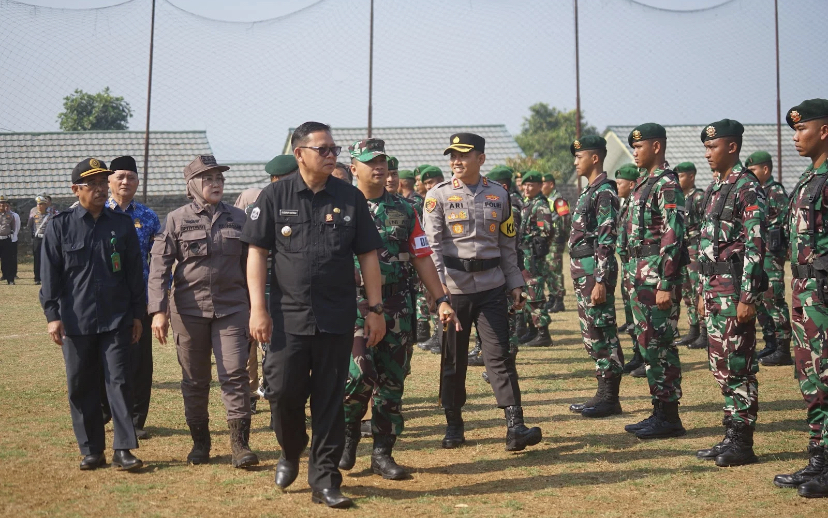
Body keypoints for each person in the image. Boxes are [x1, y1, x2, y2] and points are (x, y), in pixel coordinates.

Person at [242, 121, 384, 509]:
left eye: (333, 149)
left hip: (337, 317)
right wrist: (257, 308)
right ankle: (290, 450)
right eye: (323, 149)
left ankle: (325, 479)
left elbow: (368, 255)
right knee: (283, 392)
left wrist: (374, 309)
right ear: (300, 152)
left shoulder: (350, 198)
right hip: (287, 317)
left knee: (328, 399)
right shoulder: (274, 196)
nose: (331, 155)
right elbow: (256, 253)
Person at [339, 138, 459, 480]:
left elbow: (421, 256)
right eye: (369, 162)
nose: (378, 167)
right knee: (358, 377)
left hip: (396, 306)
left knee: (392, 383)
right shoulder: (340, 208)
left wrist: (441, 299)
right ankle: (348, 434)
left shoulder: (405, 210)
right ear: (354, 168)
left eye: (382, 162)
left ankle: (382, 453)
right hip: (353, 306)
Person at [422, 132, 542, 452]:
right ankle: (454, 425)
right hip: (454, 290)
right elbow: (431, 249)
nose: (456, 161)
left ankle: (515, 427)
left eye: (463, 155)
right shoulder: (438, 196)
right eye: (453, 156)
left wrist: (516, 283)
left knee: (499, 355)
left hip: (491, 287)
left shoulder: (499, 195)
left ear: (481, 159)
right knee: (453, 358)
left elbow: (507, 246)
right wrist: (439, 293)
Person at [148, 154, 259, 469]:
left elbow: (253, 266)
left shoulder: (239, 219)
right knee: (194, 380)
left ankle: (240, 446)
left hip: (233, 308)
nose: (216, 184)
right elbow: (159, 266)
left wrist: (257, 308)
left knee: (235, 375)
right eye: (208, 179)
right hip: (188, 311)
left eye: (219, 179)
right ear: (191, 185)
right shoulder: (176, 219)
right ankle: (201, 443)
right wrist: (158, 310)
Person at [39, 158, 145, 471]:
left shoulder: (121, 225)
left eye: (103, 183)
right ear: (76, 189)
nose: (100, 189)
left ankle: (123, 449)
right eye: (93, 184)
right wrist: (52, 316)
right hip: (76, 320)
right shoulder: (60, 226)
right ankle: (91, 450)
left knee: (120, 381)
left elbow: (133, 276)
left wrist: (138, 314)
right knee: (80, 384)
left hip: (117, 318)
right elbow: (50, 276)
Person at [694, 119, 766, 467]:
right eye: (706, 148)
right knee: (721, 365)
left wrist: (747, 297)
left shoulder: (746, 187)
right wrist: (700, 291)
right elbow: (706, 245)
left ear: (732, 147)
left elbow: (756, 246)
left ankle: (742, 442)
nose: (707, 153)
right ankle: (730, 434)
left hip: (734, 291)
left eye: (713, 147)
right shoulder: (715, 187)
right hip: (713, 290)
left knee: (738, 364)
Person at [772, 99, 828, 498]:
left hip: (822, 293)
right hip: (804, 291)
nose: (795, 137)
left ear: (823, 131)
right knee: (812, 378)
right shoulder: (809, 179)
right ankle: (819, 458)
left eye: (801, 129)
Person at [622, 123, 686, 439]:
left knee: (660, 344)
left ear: (656, 147)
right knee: (648, 345)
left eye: (639, 146)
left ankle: (670, 416)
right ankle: (659, 411)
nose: (635, 152)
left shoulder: (666, 184)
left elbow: (672, 234)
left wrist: (665, 281)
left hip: (654, 275)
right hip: (640, 273)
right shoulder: (643, 183)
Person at [234, 154, 300, 413]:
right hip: (254, 280)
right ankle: (249, 391)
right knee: (249, 337)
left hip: (286, 283)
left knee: (277, 342)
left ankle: (274, 393)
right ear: (273, 180)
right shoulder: (253, 200)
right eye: (281, 180)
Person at [103, 156, 161, 440]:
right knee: (106, 356)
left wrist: (159, 298)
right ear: (109, 180)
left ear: (138, 182)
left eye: (131, 177)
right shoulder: (96, 211)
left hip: (140, 299)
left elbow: (160, 260)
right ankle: (106, 410)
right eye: (120, 176)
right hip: (103, 298)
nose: (126, 182)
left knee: (139, 362)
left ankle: (137, 420)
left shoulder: (148, 217)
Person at [565, 136, 623, 418]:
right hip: (583, 270)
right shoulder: (590, 191)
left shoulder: (604, 192)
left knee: (602, 330)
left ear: (595, 158)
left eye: (579, 156)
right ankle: (603, 392)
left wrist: (600, 280)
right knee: (592, 331)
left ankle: (609, 397)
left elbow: (606, 237)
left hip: (594, 271)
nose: (575, 162)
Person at [744, 151, 793, 366]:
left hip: (772, 254)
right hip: (759, 252)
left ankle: (783, 348)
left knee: (774, 297)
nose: (751, 174)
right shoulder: (758, 191)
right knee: (762, 298)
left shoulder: (775, 191)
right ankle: (771, 342)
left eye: (753, 170)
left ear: (765, 169)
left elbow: (785, 221)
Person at [516, 171, 554, 347]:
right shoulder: (528, 203)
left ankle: (542, 333)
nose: (527, 188)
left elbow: (545, 230)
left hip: (533, 256)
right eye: (525, 185)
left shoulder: (540, 205)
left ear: (540, 186)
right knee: (526, 293)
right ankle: (531, 329)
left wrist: (532, 239)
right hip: (524, 255)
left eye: (531, 185)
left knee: (535, 294)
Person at [415, 165, 448, 354]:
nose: (428, 187)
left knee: (443, 298)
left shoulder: (446, 199)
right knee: (432, 299)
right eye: (425, 183)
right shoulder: (426, 200)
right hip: (429, 256)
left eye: (432, 182)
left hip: (446, 259)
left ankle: (442, 337)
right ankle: (438, 335)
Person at [673, 162, 706, 348]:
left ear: (691, 177)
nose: (677, 180)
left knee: (697, 290)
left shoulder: (699, 197)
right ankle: (693, 330)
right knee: (686, 290)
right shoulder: (678, 198)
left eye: (681, 176)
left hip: (695, 247)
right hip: (683, 249)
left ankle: (704, 332)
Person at [614, 164, 642, 376]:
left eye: (620, 183)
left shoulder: (638, 204)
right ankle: (637, 353)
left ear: (631, 184)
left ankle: (644, 356)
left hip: (637, 265)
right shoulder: (626, 204)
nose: (617, 186)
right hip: (627, 265)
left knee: (640, 313)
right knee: (630, 312)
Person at [541, 173, 570, 312]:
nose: (541, 187)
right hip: (548, 240)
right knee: (548, 269)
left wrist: (562, 237)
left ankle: (559, 300)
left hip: (555, 240)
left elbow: (565, 220)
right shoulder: (547, 199)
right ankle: (552, 297)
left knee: (555, 269)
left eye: (543, 184)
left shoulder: (558, 200)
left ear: (551, 185)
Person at [27, 195, 56, 285]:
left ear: (45, 205)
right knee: (37, 258)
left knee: (48, 257)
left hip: (47, 238)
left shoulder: (51, 213)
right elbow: (29, 225)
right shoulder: (33, 211)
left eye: (41, 204)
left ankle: (48, 277)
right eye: (38, 204)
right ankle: (37, 278)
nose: (39, 206)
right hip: (37, 238)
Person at [0, 195, 21, 285]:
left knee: (8, 260)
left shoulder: (11, 215)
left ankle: (10, 279)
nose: (2, 205)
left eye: (4, 203)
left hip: (6, 240)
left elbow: (13, 227)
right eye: (0, 203)